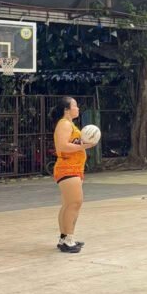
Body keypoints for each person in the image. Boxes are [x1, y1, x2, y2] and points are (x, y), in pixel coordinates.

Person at [51, 97, 95, 254]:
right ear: (66, 109)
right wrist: (84, 146)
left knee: (68, 204)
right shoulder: (64, 124)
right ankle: (68, 240)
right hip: (68, 168)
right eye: (75, 106)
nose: (78, 108)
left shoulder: (69, 124)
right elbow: (62, 147)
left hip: (73, 168)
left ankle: (64, 238)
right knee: (75, 203)